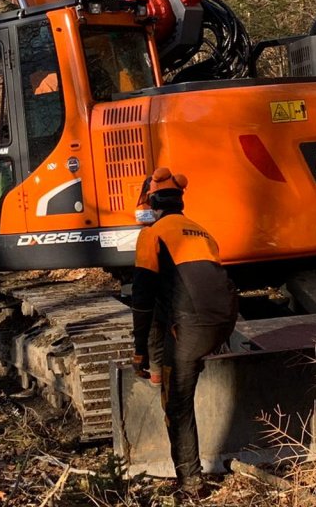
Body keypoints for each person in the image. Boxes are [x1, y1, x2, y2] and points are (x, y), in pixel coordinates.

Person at [131, 167, 238, 498]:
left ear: (152, 202)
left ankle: (191, 484)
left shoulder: (152, 235)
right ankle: (166, 373)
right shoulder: (201, 232)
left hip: (191, 329)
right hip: (224, 322)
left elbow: (143, 303)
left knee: (177, 405)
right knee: (174, 324)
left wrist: (140, 353)